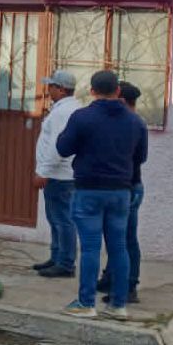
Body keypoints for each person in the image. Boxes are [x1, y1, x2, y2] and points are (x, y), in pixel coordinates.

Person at [57, 70, 148, 320]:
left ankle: (86, 303)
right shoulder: (135, 121)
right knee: (119, 248)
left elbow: (63, 148)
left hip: (89, 190)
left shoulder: (82, 117)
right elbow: (141, 157)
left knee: (90, 248)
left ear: (92, 91)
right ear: (117, 91)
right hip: (121, 191)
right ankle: (118, 305)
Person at [100, 81, 147, 303]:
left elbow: (140, 158)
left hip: (128, 187)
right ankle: (111, 276)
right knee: (115, 236)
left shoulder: (133, 123)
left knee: (126, 238)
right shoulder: (133, 122)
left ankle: (129, 285)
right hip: (127, 185)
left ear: (121, 100)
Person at [32, 70, 82, 278]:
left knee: (63, 220)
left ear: (61, 89)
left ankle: (65, 263)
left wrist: (44, 171)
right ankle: (57, 257)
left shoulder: (64, 112)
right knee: (55, 219)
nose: (48, 89)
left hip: (59, 175)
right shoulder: (66, 108)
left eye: (51, 86)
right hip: (59, 174)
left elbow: (57, 145)